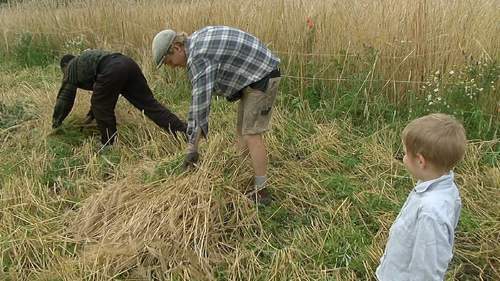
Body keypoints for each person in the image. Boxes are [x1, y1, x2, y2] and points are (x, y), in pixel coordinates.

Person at [152, 26, 281, 205]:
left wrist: (192, 148)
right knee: (242, 133)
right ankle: (242, 177)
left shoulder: (197, 57)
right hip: (253, 76)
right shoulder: (195, 42)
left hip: (263, 76)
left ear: (176, 48)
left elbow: (200, 105)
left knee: (251, 134)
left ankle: (262, 193)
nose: (172, 67)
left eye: (169, 61)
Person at [376, 113, 467, 281]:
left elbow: (427, 271)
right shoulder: (444, 187)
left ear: (420, 161)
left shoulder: (430, 213)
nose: (403, 157)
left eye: (405, 153)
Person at [52, 49, 187, 146]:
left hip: (112, 68)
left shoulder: (70, 69)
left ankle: (108, 144)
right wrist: (91, 115)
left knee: (100, 105)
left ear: (64, 66)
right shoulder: (84, 62)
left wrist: (56, 123)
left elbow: (64, 99)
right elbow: (104, 93)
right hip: (127, 63)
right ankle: (183, 130)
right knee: (150, 105)